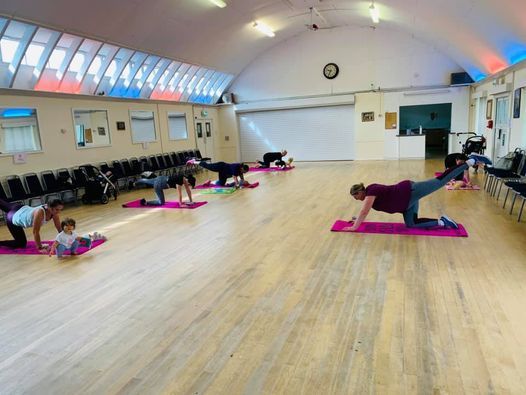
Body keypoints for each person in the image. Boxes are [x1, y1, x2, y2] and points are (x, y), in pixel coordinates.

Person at [348, 159, 476, 231]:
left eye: (356, 196)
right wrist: (356, 219)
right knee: (411, 224)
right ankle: (442, 222)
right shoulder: (369, 195)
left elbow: (364, 211)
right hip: (406, 205)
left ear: (359, 192)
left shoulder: (371, 191)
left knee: (440, 181)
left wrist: (355, 227)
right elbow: (365, 211)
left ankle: (469, 162)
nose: (356, 199)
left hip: (409, 192)